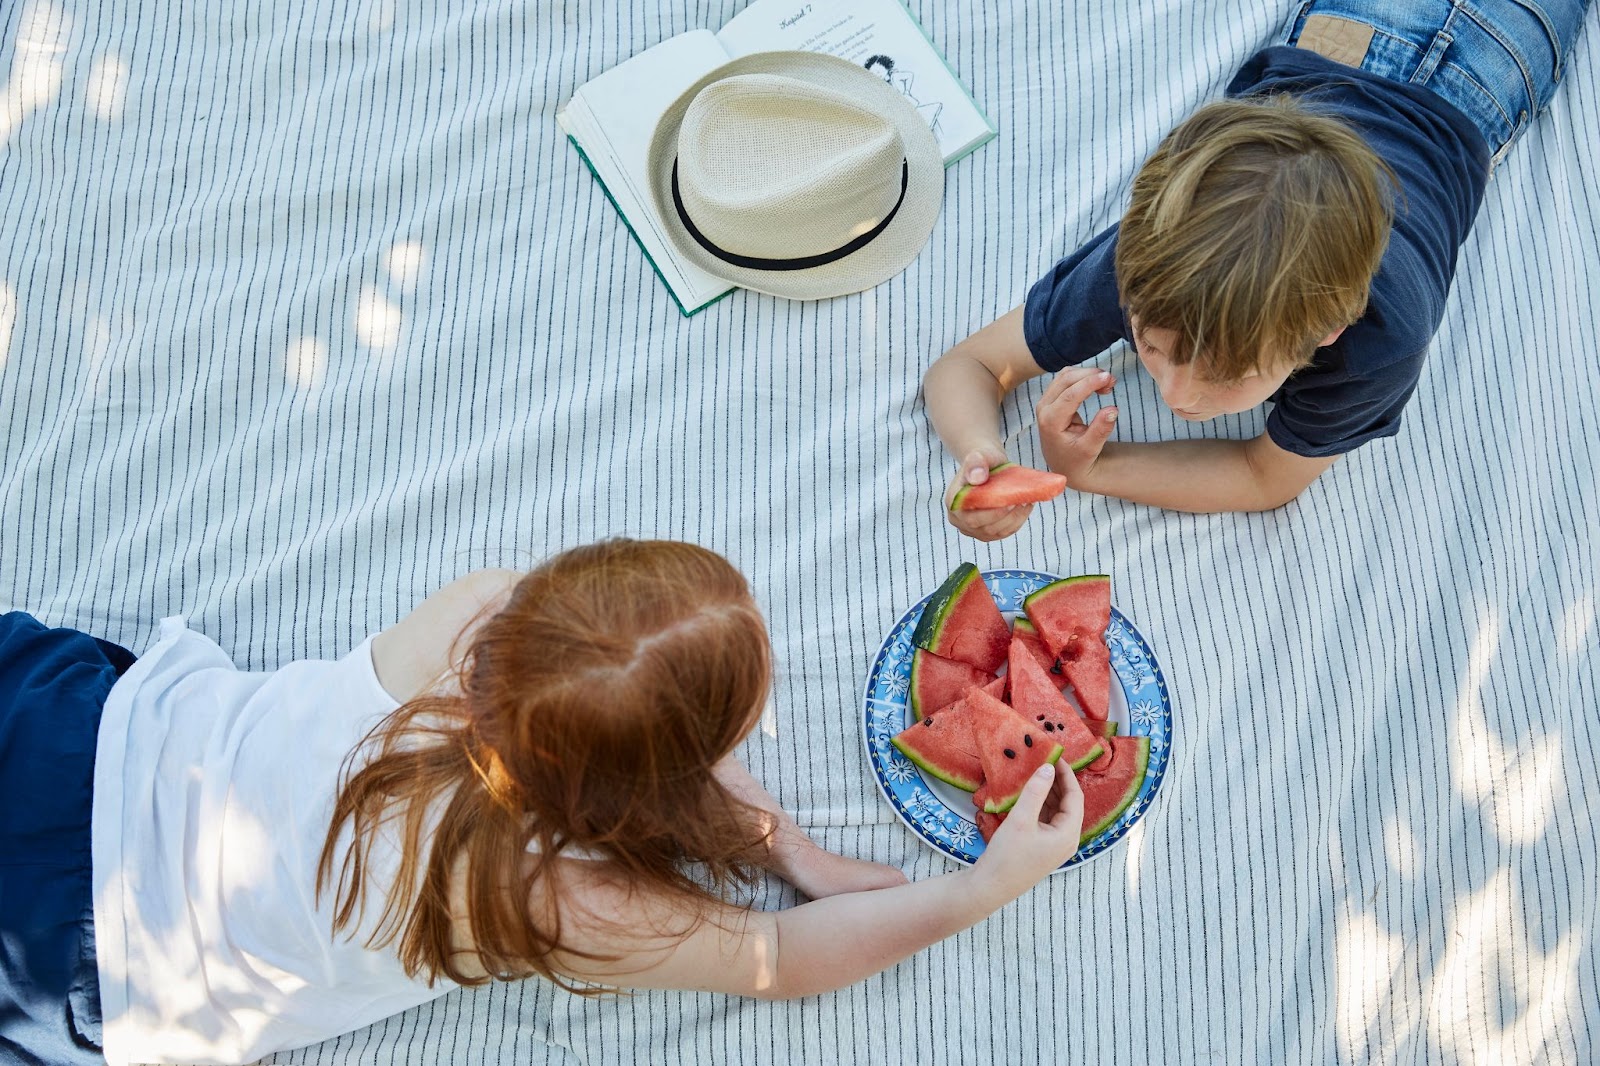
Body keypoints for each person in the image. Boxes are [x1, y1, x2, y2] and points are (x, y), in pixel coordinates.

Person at [0, 539, 1084, 1066]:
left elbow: (603, 702)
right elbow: (781, 961)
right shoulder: (543, 899)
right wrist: (986, 886)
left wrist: (786, 843)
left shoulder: (485, 616)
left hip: (75, 727)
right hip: (75, 945)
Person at [924, 0, 1594, 531]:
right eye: (1153, 347)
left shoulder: (1381, 340)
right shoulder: (1146, 262)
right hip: (1356, 28)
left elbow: (1264, 477)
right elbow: (971, 367)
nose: (1177, 399)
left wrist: (1093, 470)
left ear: (1330, 329)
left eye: (1229, 377)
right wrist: (983, 458)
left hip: (1498, 56)